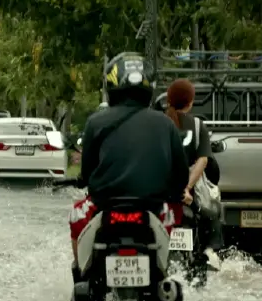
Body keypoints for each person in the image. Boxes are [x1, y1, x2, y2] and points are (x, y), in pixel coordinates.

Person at [69, 54, 190, 283]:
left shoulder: (96, 122)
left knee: (75, 215)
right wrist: (173, 194)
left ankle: (80, 276)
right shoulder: (166, 124)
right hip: (153, 206)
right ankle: (163, 273)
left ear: (111, 87)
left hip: (105, 205)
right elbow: (181, 174)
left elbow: (87, 171)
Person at [164, 78, 225, 273]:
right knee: (212, 213)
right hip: (188, 196)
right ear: (190, 102)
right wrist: (187, 188)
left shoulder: (157, 124)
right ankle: (210, 251)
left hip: (161, 192)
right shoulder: (198, 126)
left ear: (169, 100)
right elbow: (203, 161)